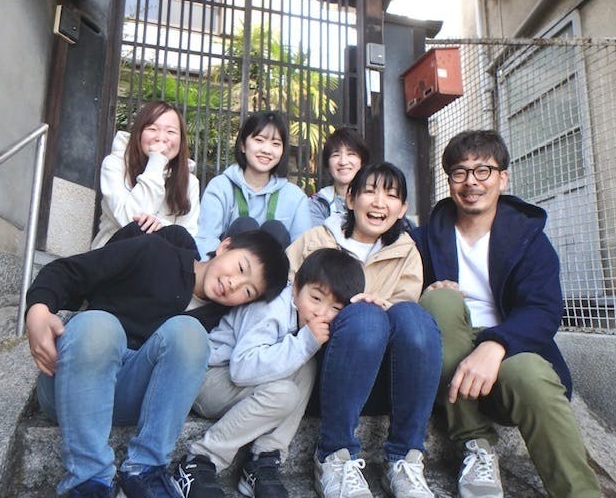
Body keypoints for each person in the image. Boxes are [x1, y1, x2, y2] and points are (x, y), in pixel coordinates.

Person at [25, 223, 289, 497]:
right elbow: (70, 271)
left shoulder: (217, 320)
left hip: (131, 395)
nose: (235, 284)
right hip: (74, 384)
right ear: (225, 246)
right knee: (98, 324)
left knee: (190, 332)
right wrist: (38, 310)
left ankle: (145, 470)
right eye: (241, 268)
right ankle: (89, 481)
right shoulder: (154, 252)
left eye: (248, 291)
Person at [413, 130, 601, 498]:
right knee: (440, 301)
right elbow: (398, 291)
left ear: (503, 178)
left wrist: (495, 345)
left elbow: (543, 309)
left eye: (483, 170)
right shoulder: (425, 238)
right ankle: (475, 444)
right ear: (449, 181)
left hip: (510, 355)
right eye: (460, 172)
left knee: (530, 374)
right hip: (450, 361)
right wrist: (424, 294)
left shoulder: (528, 237)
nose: (471, 182)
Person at [286, 162, 442, 498]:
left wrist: (384, 307)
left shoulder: (406, 251)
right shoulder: (318, 240)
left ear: (402, 208)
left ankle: (405, 459)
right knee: (365, 318)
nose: (379, 202)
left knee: (415, 318)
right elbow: (284, 291)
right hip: (325, 371)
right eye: (369, 191)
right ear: (351, 198)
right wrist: (336, 314)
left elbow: (404, 309)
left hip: (384, 378)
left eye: (391, 195)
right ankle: (333, 455)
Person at [174, 248, 366, 498]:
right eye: (316, 298)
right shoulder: (271, 308)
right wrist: (305, 343)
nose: (322, 313)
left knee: (306, 366)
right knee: (284, 392)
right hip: (208, 379)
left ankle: (264, 458)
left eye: (336, 308)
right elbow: (242, 369)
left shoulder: (303, 315)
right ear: (296, 287)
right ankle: (199, 459)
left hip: (236, 384)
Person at [196, 111, 312, 257]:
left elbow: (302, 252)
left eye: (276, 144)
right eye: (259, 140)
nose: (267, 150)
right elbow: (206, 239)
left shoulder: (295, 197)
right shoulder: (220, 187)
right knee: (245, 226)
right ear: (243, 145)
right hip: (227, 268)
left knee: (275, 230)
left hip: (277, 271)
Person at [92, 101, 200, 249]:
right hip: (113, 254)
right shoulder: (114, 165)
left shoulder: (190, 182)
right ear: (139, 133)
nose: (161, 138)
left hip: (160, 259)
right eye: (152, 129)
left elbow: (187, 236)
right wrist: (156, 161)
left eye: (171, 132)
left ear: (181, 140)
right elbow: (129, 220)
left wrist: (160, 225)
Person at [309, 127, 369, 226]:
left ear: (362, 161)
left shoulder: (376, 200)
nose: (343, 162)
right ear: (328, 163)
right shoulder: (318, 203)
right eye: (336, 155)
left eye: (351, 154)